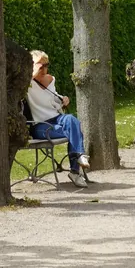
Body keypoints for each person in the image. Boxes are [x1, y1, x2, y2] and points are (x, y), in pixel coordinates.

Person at [27, 49, 89, 187]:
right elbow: (24, 85)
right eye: (40, 65)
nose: (44, 68)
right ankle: (77, 162)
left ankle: (76, 162)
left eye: (46, 65)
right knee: (74, 131)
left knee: (71, 120)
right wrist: (33, 73)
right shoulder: (27, 84)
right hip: (39, 125)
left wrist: (62, 99)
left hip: (55, 118)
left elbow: (54, 98)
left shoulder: (50, 80)